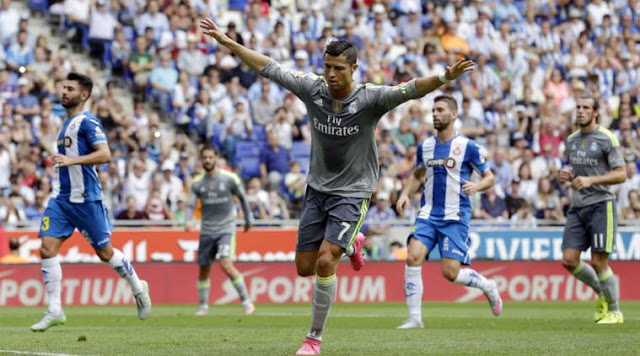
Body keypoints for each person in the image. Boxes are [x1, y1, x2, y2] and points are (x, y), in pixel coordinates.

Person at [200, 18, 474, 355]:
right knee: (305, 268)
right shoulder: (312, 88)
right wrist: (229, 43)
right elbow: (268, 66)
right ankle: (353, 241)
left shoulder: (371, 99)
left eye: (338, 68)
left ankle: (313, 339)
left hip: (353, 192)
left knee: (326, 262)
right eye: (327, 66)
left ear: (353, 68)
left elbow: (411, 88)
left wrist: (445, 77)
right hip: (317, 190)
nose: (331, 74)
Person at [31, 72, 151, 332]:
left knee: (104, 252)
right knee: (46, 249)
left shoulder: (87, 122)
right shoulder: (65, 125)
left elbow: (105, 154)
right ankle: (55, 310)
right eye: (63, 87)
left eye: (70, 88)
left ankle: (137, 286)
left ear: (83, 95)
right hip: (62, 199)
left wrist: (71, 161)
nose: (64, 92)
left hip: (87, 200)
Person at [396, 95, 503, 329]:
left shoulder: (468, 147)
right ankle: (415, 318)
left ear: (453, 115)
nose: (435, 114)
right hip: (428, 213)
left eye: (440, 110)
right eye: (433, 110)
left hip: (455, 216)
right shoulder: (425, 146)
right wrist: (405, 194)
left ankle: (487, 285)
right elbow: (417, 175)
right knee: (413, 256)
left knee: (450, 272)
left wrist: (477, 186)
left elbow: (490, 177)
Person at [558, 96, 626, 324]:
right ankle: (603, 293)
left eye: (586, 107)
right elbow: (578, 173)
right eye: (578, 107)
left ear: (595, 112)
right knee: (568, 260)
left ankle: (615, 312)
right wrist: (567, 177)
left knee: (599, 262)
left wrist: (590, 180)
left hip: (600, 205)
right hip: (578, 207)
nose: (580, 111)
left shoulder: (607, 139)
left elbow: (621, 174)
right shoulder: (572, 140)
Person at [185, 145, 255, 316]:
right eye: (205, 158)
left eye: (210, 157)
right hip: (207, 230)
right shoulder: (198, 183)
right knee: (204, 269)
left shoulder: (229, 179)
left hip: (226, 229)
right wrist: (188, 221)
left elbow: (243, 198)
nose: (207, 160)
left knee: (225, 263)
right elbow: (190, 205)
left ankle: (247, 302)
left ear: (216, 158)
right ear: (201, 160)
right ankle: (203, 306)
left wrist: (248, 219)